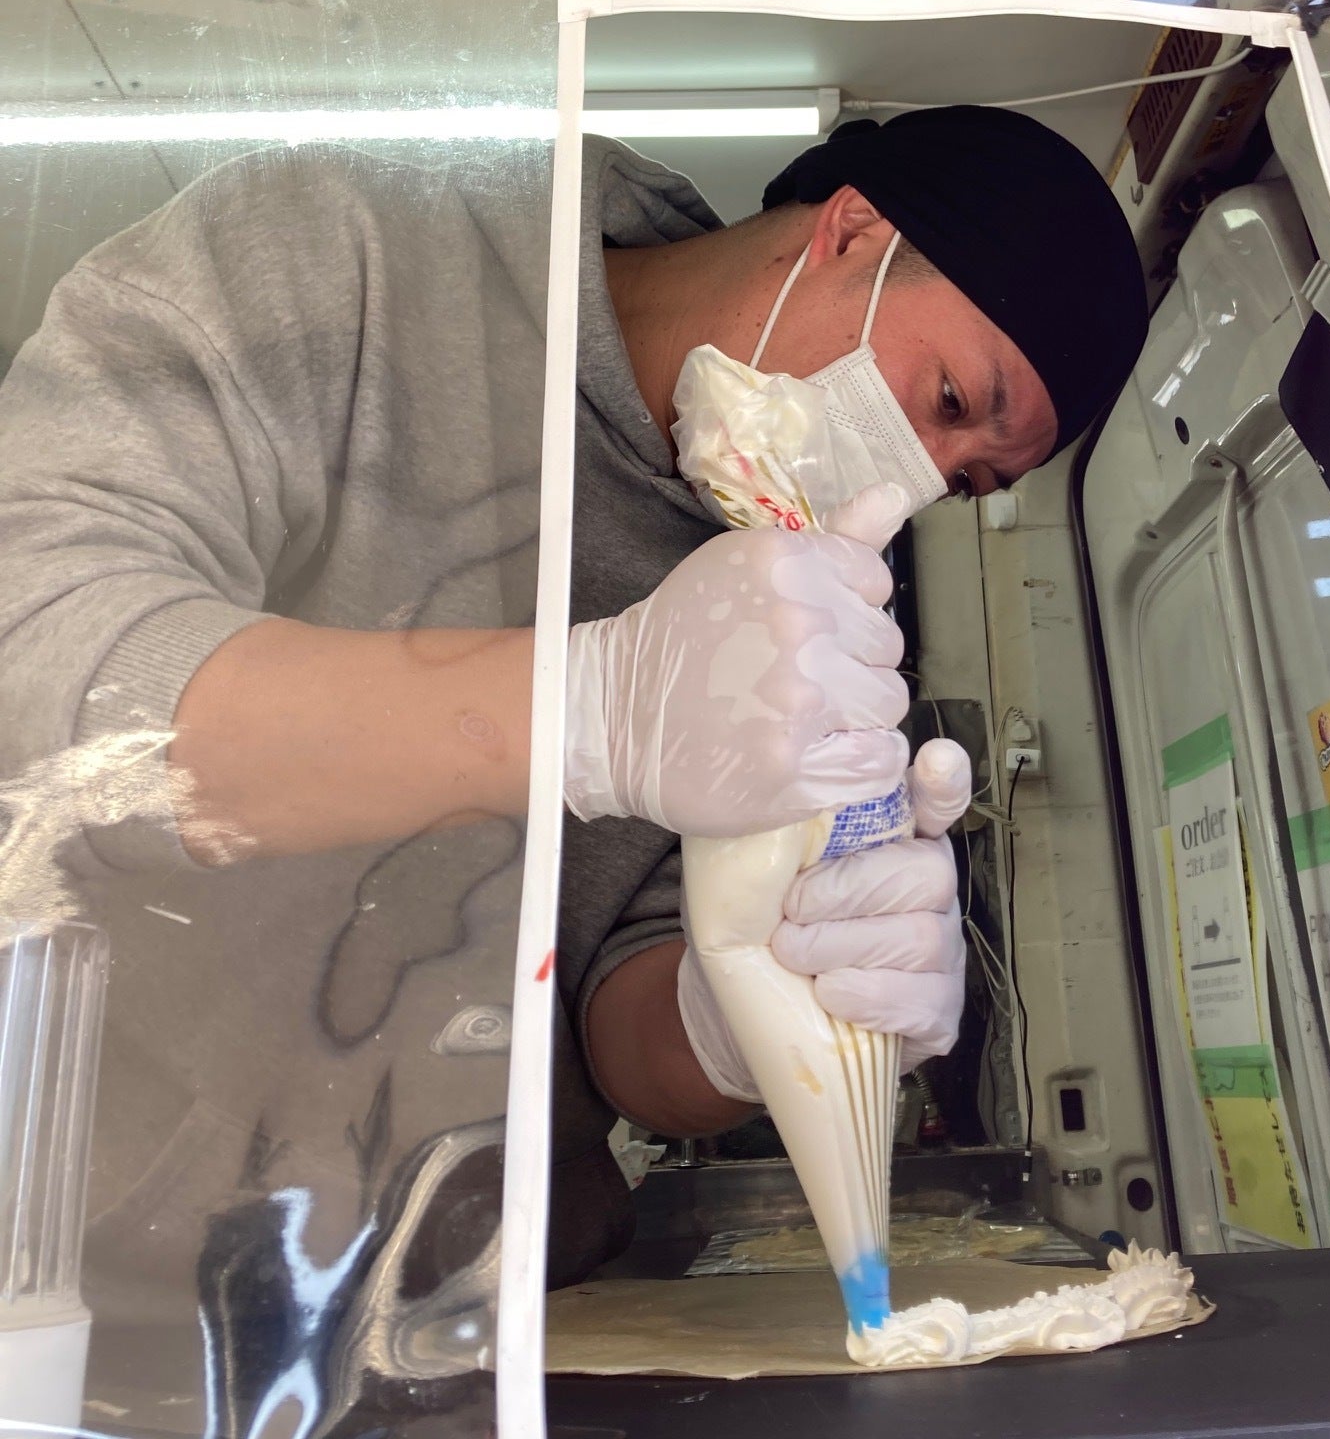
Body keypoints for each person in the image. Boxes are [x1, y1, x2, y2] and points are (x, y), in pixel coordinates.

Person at [0, 104, 1146, 1342]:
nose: (910, 474)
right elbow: (41, 665)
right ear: (854, 233)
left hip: (488, 1306)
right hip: (79, 1265)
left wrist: (746, 1007)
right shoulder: (344, 256)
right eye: (947, 397)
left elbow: (620, 1037)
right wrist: (582, 708)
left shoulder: (794, 610)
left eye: (964, 479)